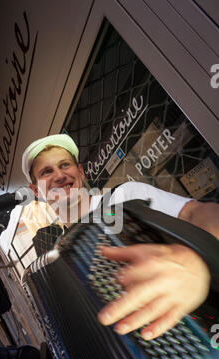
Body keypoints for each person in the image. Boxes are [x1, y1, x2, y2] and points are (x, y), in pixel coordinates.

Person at [21, 133, 219, 341]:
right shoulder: (60, 260)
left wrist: (197, 260)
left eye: (64, 165)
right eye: (46, 171)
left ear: (80, 172)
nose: (59, 175)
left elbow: (198, 212)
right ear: (36, 191)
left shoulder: (123, 197)